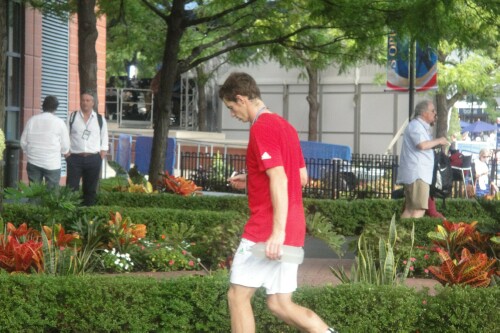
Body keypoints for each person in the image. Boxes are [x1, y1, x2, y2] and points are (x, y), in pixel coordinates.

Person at [220, 72, 338, 333]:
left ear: (241, 99)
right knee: (280, 303)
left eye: (231, 108)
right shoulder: (286, 127)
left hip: (267, 228)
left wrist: (276, 232)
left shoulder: (261, 127)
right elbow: (301, 177)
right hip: (294, 226)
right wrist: (252, 177)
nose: (232, 114)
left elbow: (280, 179)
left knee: (237, 296)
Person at [397, 100, 449, 218]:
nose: (435, 113)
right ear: (424, 113)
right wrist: (439, 140)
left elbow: (424, 144)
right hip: (418, 174)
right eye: (432, 111)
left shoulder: (419, 126)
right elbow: (422, 145)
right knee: (418, 210)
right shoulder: (416, 125)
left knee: (411, 209)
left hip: (418, 174)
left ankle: (401, 234)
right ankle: (409, 235)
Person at [66, 90, 109, 206]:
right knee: (71, 188)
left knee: (90, 190)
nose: (85, 103)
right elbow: (65, 135)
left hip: (93, 158)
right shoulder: (72, 117)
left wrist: (102, 153)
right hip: (74, 158)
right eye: (83, 100)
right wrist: (66, 153)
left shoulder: (100, 119)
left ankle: (88, 214)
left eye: (88, 100)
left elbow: (104, 136)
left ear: (93, 103)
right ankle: (70, 213)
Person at [20, 95, 70, 189]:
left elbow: (23, 142)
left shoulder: (32, 120)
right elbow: (65, 147)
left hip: (33, 161)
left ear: (43, 106)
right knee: (51, 196)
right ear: (56, 108)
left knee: (34, 194)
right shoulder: (59, 123)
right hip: (52, 163)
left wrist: (29, 152)